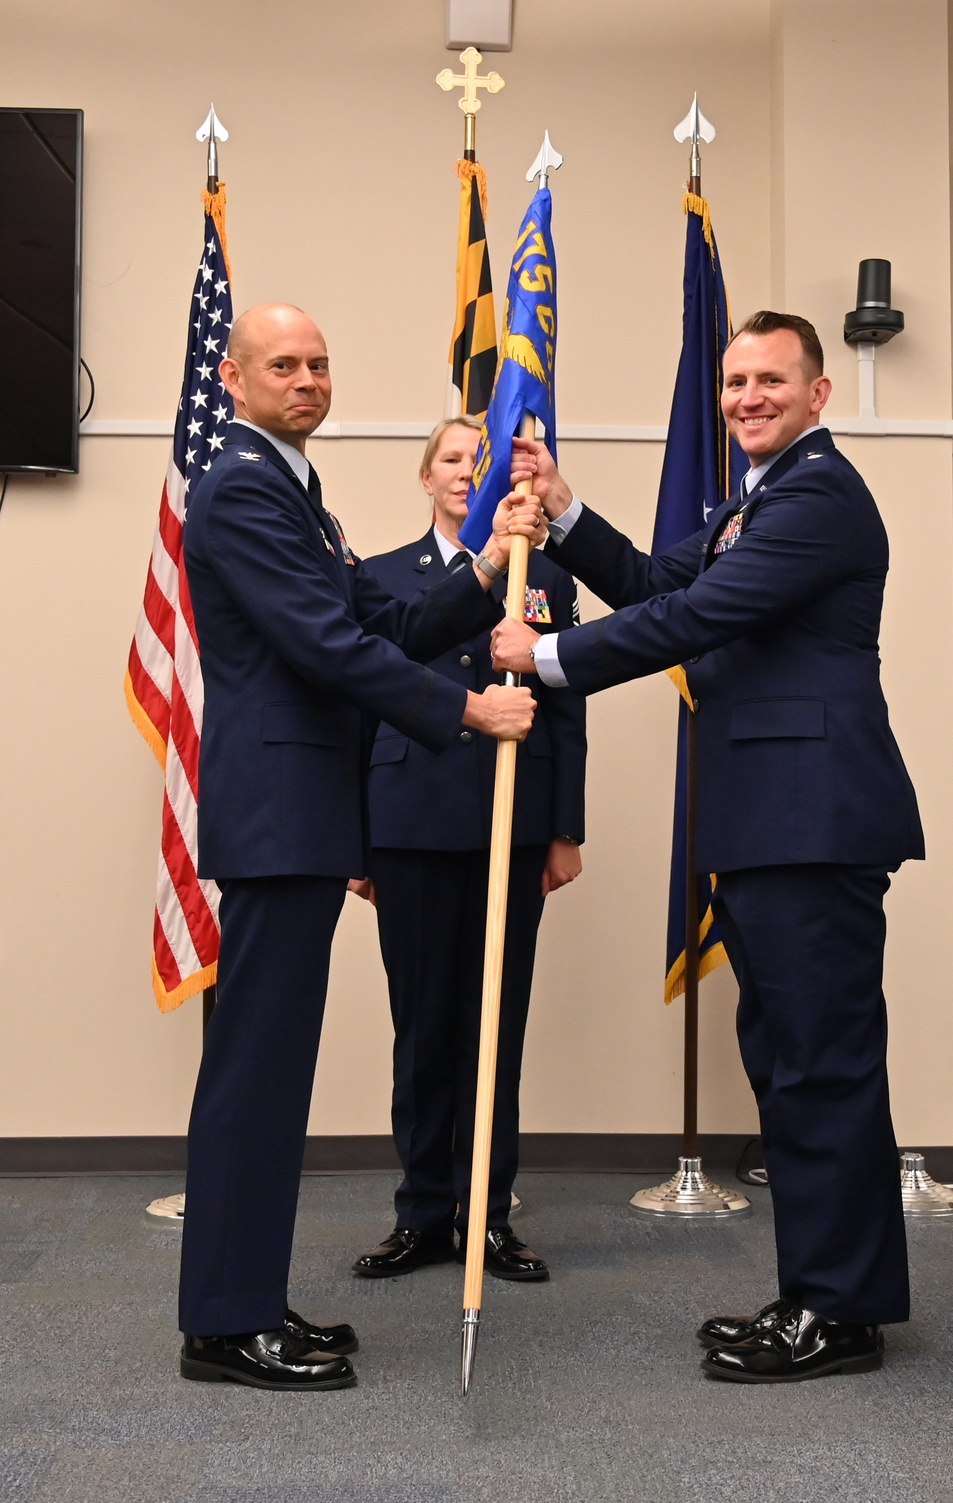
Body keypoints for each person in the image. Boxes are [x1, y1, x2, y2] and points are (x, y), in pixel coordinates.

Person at [491, 311, 924, 1384]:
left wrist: (543, 656)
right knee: (787, 1065)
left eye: (768, 381)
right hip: (767, 820)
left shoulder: (820, 496)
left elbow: (698, 619)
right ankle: (819, 1294)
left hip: (810, 819)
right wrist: (564, 510)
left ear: (818, 394)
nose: (744, 399)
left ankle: (838, 1311)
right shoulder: (756, 499)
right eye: (733, 382)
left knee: (819, 1066)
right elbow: (651, 584)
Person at [178, 304, 543, 1391]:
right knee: (256, 1074)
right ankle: (227, 1324)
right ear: (234, 381)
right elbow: (326, 645)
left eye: (319, 364)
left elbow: (374, 624)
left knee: (271, 1070)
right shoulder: (241, 484)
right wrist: (468, 712)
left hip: (297, 811)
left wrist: (478, 578)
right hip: (278, 813)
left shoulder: (291, 485)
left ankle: (245, 1300)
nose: (305, 379)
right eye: (281, 364)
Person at [350, 416, 587, 1284]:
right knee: (421, 1027)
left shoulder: (546, 578)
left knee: (496, 1025)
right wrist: (356, 838)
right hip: (407, 821)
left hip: (509, 822)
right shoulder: (381, 578)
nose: (467, 475)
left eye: (481, 463)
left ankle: (486, 1213)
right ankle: (421, 1213)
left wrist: (564, 828)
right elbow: (358, 705)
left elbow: (568, 706)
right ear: (426, 478)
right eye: (452, 460)